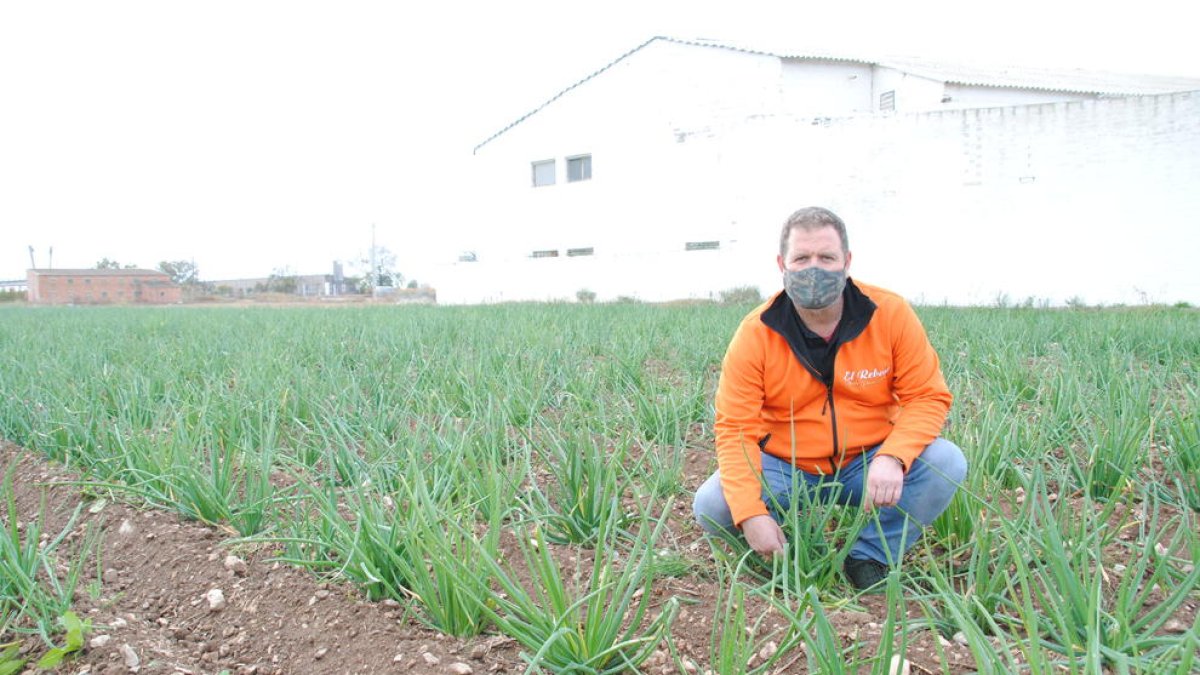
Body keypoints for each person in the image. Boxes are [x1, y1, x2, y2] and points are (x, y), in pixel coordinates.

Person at [692, 206, 967, 591]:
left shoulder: (889, 314)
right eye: (802, 259)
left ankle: (869, 555)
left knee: (945, 462)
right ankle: (778, 554)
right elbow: (736, 427)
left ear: (847, 261)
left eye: (826, 257)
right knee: (713, 505)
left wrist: (893, 455)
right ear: (781, 264)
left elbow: (927, 396)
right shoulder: (756, 333)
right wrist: (750, 512)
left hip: (867, 462)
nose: (814, 269)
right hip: (785, 467)